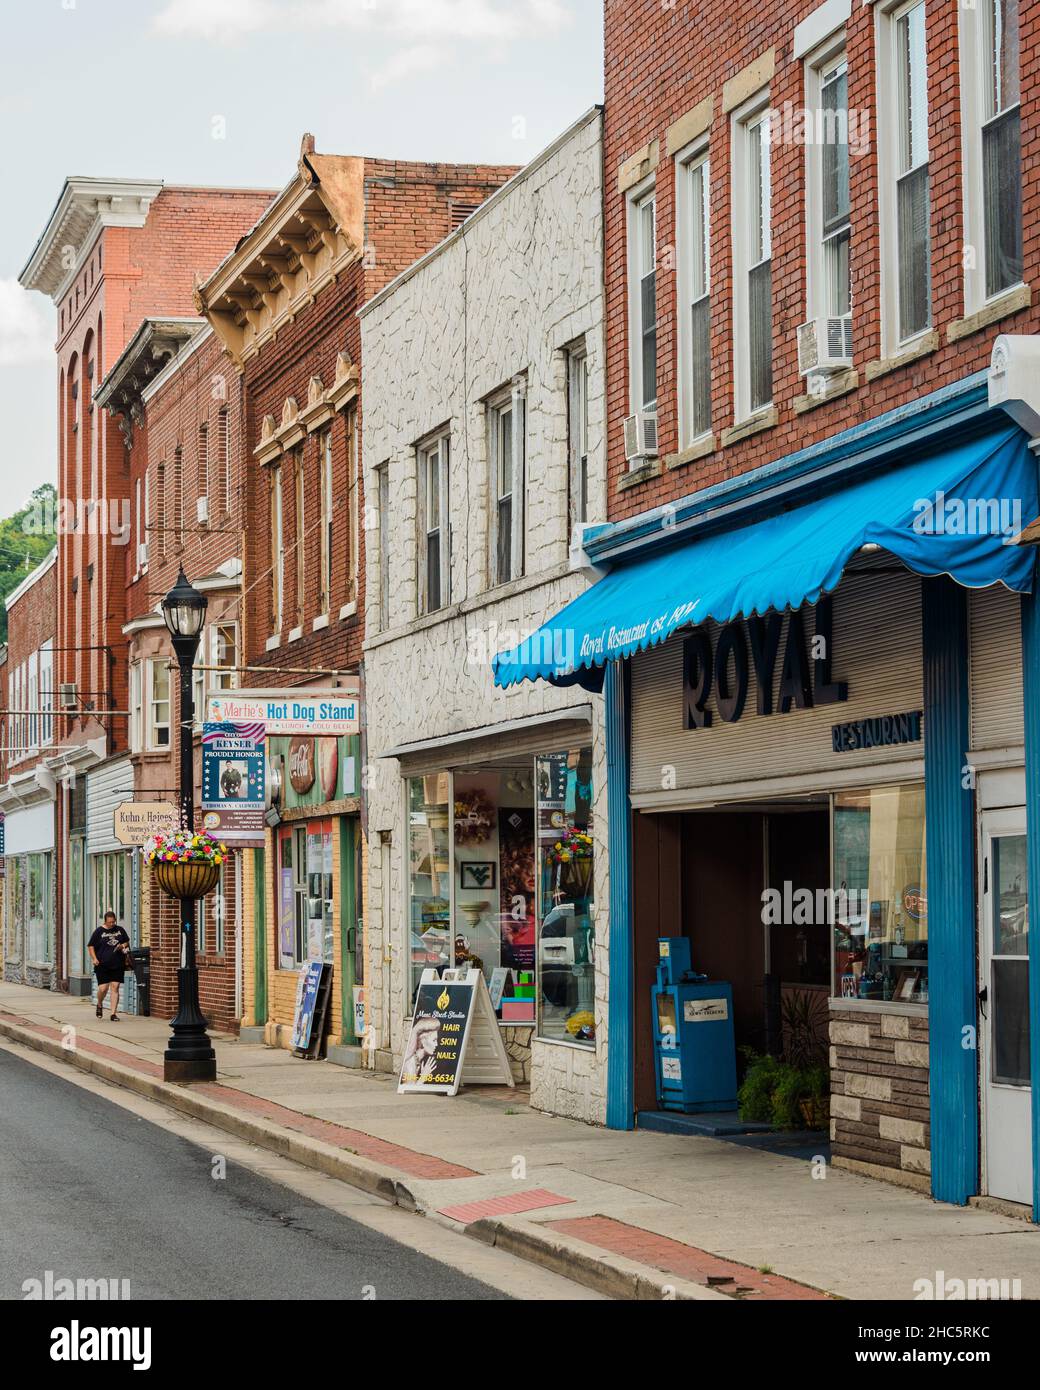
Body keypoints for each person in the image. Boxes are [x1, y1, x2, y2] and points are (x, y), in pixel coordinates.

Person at [88, 911, 131, 1021]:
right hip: (102, 964)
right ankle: (99, 1004)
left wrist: (122, 945)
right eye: (109, 922)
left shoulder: (120, 930)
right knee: (103, 988)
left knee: (115, 987)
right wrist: (94, 958)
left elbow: (127, 942)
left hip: (117, 963)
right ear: (105, 921)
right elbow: (91, 946)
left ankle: (113, 1014)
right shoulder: (99, 931)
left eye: (113, 922)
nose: (112, 924)